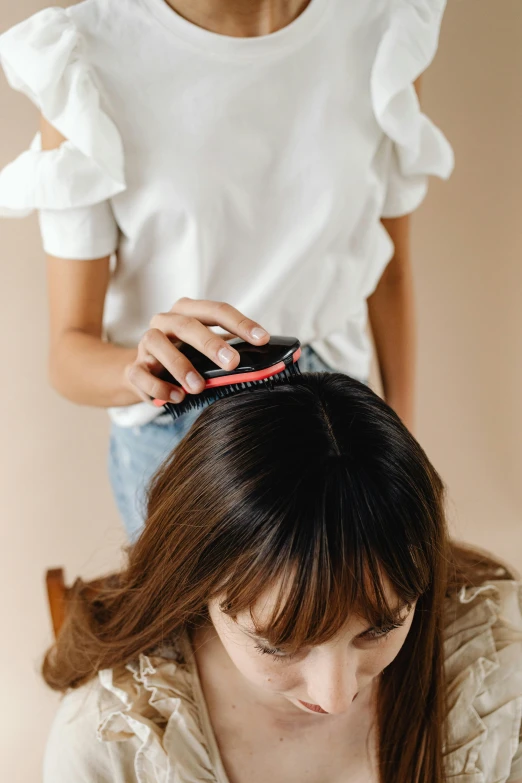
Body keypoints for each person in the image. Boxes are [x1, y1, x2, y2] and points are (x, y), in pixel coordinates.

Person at [0, 0, 454, 539]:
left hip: (337, 418)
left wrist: (403, 435)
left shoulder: (382, 23)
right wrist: (142, 369)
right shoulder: (83, 54)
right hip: (183, 439)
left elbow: (390, 270)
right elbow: (68, 351)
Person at [42, 374, 522, 782]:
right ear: (196, 582)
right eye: (279, 644)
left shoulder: (493, 674)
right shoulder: (117, 741)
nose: (336, 697)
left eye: (381, 628)